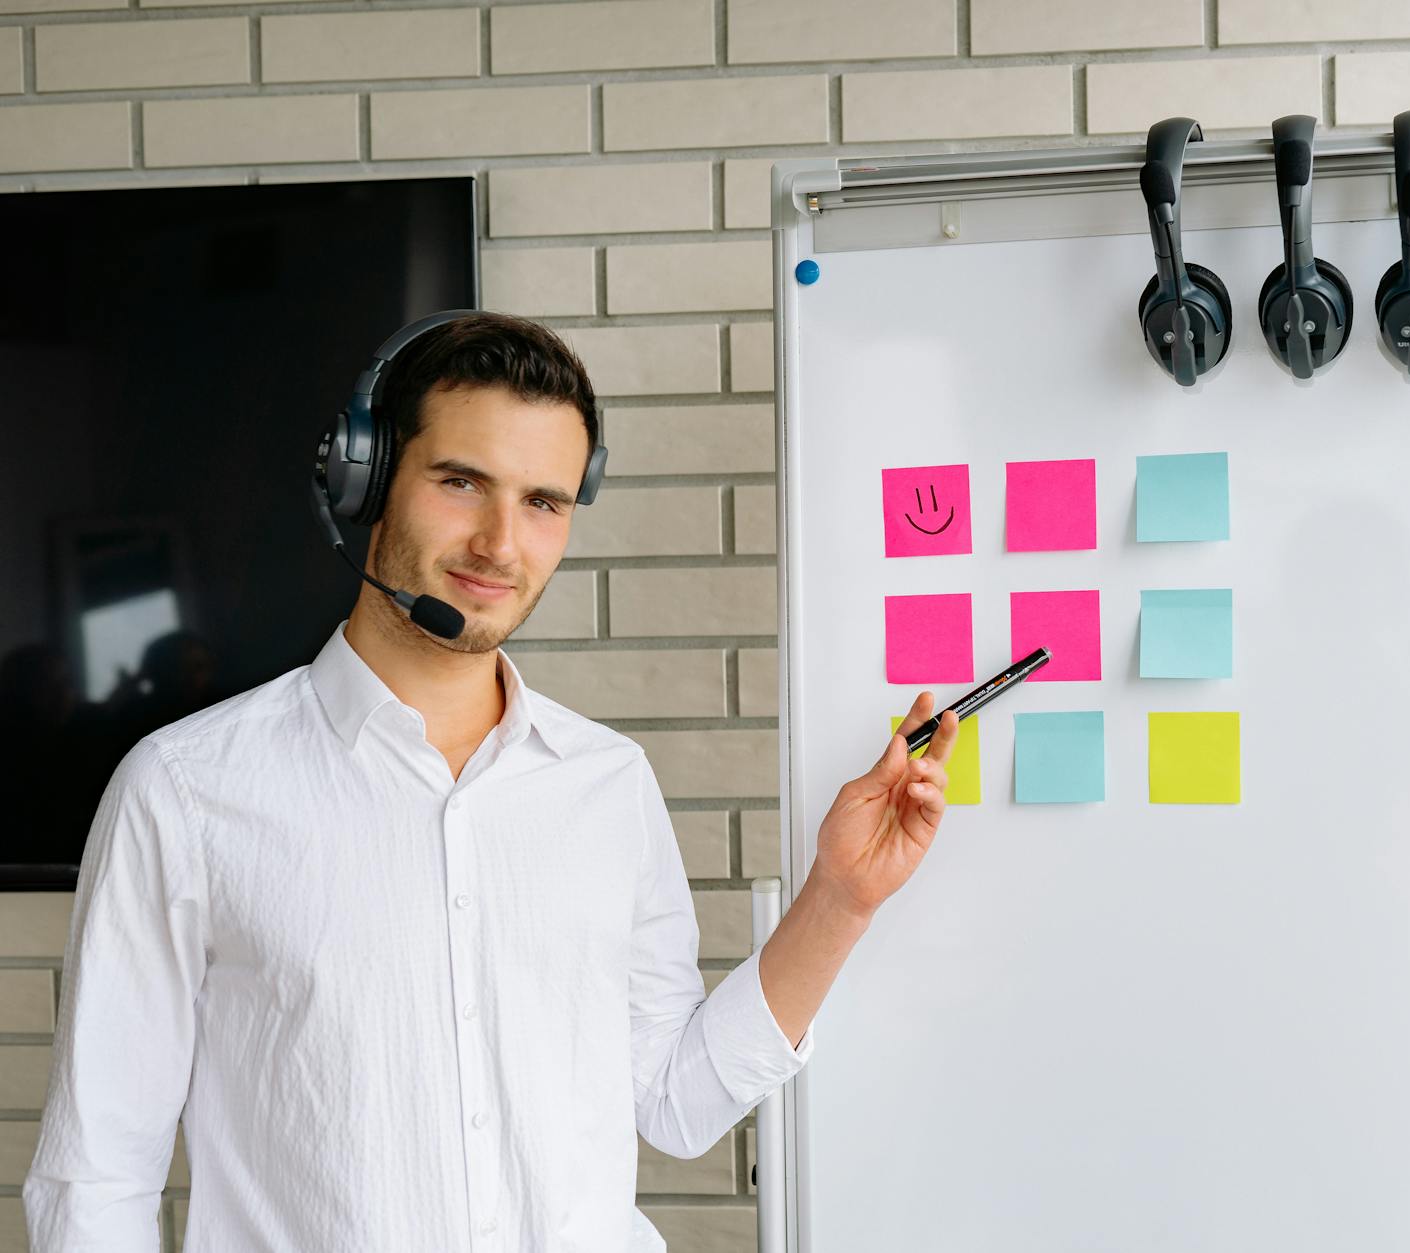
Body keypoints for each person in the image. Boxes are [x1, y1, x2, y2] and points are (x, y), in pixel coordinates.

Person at [22, 312, 960, 1251]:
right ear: (367, 481)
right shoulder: (185, 791)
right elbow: (96, 1176)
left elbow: (676, 1100)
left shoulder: (607, 785)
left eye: (544, 501)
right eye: (462, 482)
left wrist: (840, 898)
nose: (501, 544)